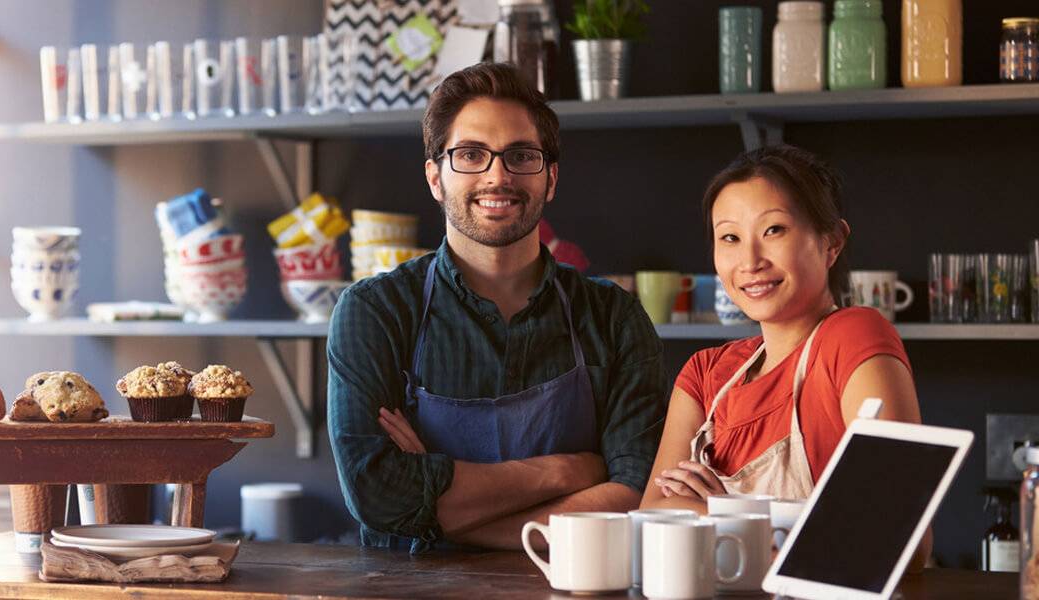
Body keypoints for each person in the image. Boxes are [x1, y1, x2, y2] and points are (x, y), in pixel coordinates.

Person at [326, 63, 668, 553]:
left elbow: (634, 497)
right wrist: (569, 471)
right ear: (435, 178)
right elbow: (377, 495)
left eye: (521, 156)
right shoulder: (375, 312)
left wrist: (435, 513)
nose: (497, 176)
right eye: (470, 155)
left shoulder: (614, 317)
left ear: (550, 178)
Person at [639, 144, 929, 566]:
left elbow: (900, 538)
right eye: (730, 238)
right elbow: (649, 519)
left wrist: (723, 512)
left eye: (774, 230)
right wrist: (775, 533)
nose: (750, 261)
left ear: (831, 242)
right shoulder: (706, 374)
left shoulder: (852, 338)